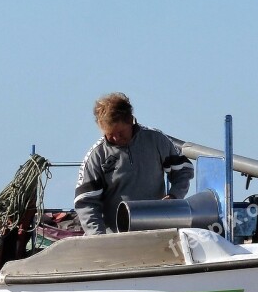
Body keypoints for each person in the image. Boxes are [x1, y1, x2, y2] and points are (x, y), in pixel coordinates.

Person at [74, 92, 194, 235]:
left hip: (158, 234)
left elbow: (183, 170)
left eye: (120, 132)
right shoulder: (96, 156)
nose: (116, 138)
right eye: (109, 134)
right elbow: (86, 203)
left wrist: (174, 197)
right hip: (116, 240)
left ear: (131, 120)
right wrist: (98, 239)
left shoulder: (156, 140)